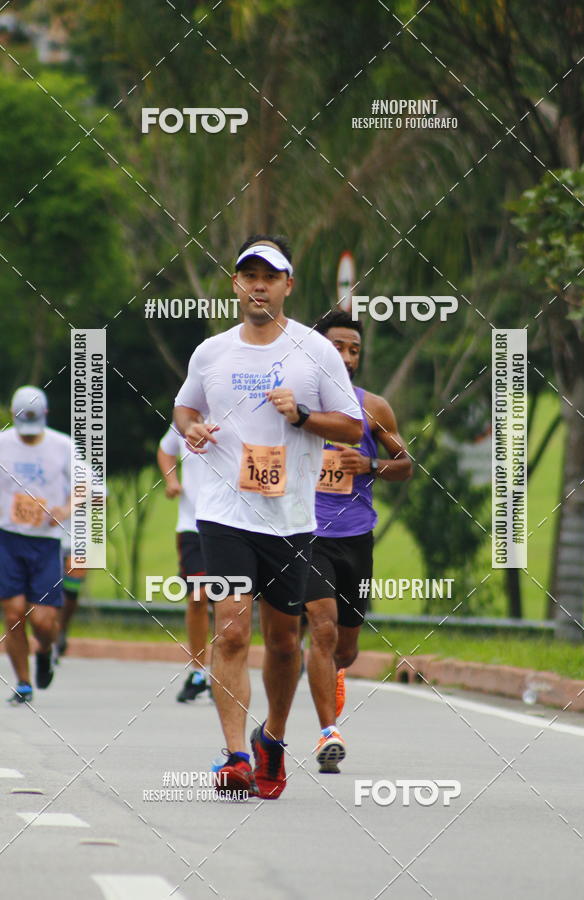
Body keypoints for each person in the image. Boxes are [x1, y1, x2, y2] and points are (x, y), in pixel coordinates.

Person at [174, 235, 362, 799]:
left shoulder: (315, 351)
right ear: (236, 284)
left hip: (291, 519)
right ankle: (235, 756)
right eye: (248, 275)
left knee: (284, 642)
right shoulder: (211, 352)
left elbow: (352, 427)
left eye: (269, 276)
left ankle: (272, 740)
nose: (258, 285)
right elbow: (186, 405)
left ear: (288, 285)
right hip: (224, 512)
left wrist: (303, 416)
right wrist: (191, 427)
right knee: (231, 628)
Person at [303, 309, 413, 772]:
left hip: (356, 540)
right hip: (306, 536)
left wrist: (368, 466)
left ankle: (334, 677)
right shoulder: (299, 408)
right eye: (337, 348)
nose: (346, 357)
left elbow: (406, 465)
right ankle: (329, 733)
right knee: (322, 631)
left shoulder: (374, 408)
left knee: (345, 648)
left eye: (354, 350)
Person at [0, 386, 73, 703]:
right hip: (8, 539)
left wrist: (65, 510)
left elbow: (93, 488)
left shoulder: (62, 446)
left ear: (45, 416)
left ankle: (45, 649)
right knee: (14, 613)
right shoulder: (2, 445)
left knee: (43, 621)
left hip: (46, 543)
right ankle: (24, 682)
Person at [157, 425, 212, 703]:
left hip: (233, 524)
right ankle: (199, 671)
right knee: (199, 596)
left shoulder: (238, 411)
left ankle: (223, 672)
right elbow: (165, 450)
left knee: (233, 601)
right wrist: (171, 480)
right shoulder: (185, 419)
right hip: (192, 525)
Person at [54, 523, 87, 658]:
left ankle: (61, 630)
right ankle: (52, 634)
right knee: (50, 590)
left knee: (71, 593)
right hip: (48, 538)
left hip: (78, 541)